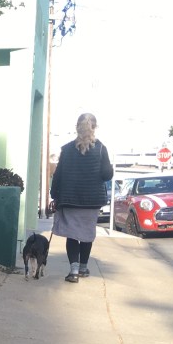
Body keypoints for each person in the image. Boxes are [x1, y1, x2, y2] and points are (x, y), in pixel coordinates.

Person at [49, 113, 113, 283]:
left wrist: (54, 195)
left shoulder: (67, 149)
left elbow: (58, 175)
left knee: (72, 235)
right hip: (92, 201)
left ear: (77, 127)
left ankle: (74, 271)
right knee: (86, 234)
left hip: (70, 199)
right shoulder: (101, 148)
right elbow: (107, 175)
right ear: (95, 127)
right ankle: (83, 268)